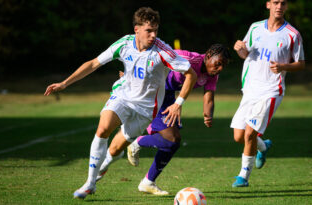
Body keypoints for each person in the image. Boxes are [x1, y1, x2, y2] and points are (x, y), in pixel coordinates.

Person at [44, 7, 197, 199]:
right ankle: (90, 184)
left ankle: (105, 164)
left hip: (146, 110)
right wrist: (65, 83)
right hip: (123, 97)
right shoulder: (124, 44)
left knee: (115, 149)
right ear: (137, 29)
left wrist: (179, 103)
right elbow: (93, 63)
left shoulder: (162, 51)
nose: (153, 35)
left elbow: (191, 74)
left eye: (156, 30)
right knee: (103, 128)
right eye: (149, 30)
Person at [96, 44, 231, 195]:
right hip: (151, 92)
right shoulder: (188, 58)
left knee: (173, 142)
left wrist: (208, 115)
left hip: (168, 97)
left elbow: (209, 98)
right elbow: (155, 57)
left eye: (223, 66)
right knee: (172, 139)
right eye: (218, 63)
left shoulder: (212, 76)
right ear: (208, 55)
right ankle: (137, 143)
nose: (219, 69)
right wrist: (133, 75)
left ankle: (147, 182)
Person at [230, 0, 305, 187]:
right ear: (268, 5)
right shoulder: (255, 28)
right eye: (276, 2)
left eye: (283, 3)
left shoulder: (292, 34)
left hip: (271, 90)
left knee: (249, 135)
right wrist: (240, 50)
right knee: (239, 136)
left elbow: (301, 63)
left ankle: (243, 177)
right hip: (250, 89)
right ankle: (263, 147)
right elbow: (246, 54)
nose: (279, 6)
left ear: (286, 7)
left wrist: (283, 66)